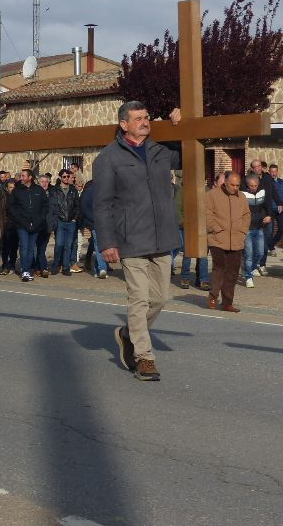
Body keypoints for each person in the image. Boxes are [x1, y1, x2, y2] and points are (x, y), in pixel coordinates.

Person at [94, 100, 181, 382]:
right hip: (131, 240)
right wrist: (107, 242)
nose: (145, 121)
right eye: (139, 118)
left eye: (147, 117)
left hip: (162, 237)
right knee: (139, 300)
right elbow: (102, 205)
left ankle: (128, 335)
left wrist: (181, 123)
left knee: (160, 298)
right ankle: (144, 357)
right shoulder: (108, 158)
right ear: (124, 124)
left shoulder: (160, 151)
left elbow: (192, 150)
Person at [204, 172, 249, 312]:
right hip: (217, 239)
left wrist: (242, 231)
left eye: (237, 185)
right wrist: (215, 228)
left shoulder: (241, 197)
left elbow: (246, 215)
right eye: (232, 185)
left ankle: (227, 303)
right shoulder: (212, 195)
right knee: (219, 268)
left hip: (236, 240)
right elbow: (206, 213)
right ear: (225, 182)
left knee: (233, 273)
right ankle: (213, 296)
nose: (235, 188)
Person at [9, 168, 48, 282]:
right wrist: (19, 219)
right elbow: (11, 206)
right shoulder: (17, 190)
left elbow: (45, 205)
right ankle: (24, 270)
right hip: (22, 224)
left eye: (23, 176)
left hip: (36, 224)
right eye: (21, 176)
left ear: (30, 177)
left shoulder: (39, 190)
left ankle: (27, 269)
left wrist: (40, 218)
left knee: (31, 249)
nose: (21, 178)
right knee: (24, 247)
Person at [173, 178, 210, 290]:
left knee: (203, 255)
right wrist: (183, 223)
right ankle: (185, 278)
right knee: (188, 254)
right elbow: (176, 208)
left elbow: (211, 209)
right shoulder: (183, 191)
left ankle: (203, 280)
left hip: (203, 227)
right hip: (188, 227)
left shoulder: (207, 192)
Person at [248, 160, 282, 270]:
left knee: (266, 239)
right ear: (252, 168)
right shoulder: (249, 180)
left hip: (268, 212)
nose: (258, 168)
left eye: (259, 166)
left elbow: (273, 192)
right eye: (255, 167)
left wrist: (279, 202)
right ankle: (253, 264)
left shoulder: (267, 178)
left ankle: (262, 264)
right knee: (254, 240)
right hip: (254, 213)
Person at [241, 174, 271, 288]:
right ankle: (249, 277)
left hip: (259, 227)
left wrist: (269, 216)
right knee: (248, 254)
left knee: (260, 253)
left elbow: (268, 205)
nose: (254, 188)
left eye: (256, 185)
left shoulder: (262, 192)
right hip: (247, 228)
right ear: (248, 185)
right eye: (252, 186)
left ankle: (251, 268)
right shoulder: (242, 194)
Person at [50, 168, 80, 276]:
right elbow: (52, 206)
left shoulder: (73, 190)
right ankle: (56, 265)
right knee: (59, 244)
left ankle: (66, 267)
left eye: (68, 176)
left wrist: (75, 218)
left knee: (68, 245)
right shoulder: (54, 190)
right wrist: (56, 219)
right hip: (60, 222)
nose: (66, 178)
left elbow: (77, 206)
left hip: (71, 222)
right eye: (64, 176)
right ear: (60, 178)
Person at [80, 179, 109, 278]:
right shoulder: (90, 191)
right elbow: (84, 207)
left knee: (100, 246)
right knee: (98, 245)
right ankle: (102, 268)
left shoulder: (107, 191)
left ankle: (97, 269)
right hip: (95, 223)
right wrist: (93, 219)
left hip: (106, 223)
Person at [34, 174, 54, 278]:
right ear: (38, 183)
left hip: (47, 226)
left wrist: (53, 223)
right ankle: (42, 267)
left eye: (46, 181)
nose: (45, 183)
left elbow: (54, 211)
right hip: (36, 225)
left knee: (42, 248)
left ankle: (39, 268)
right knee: (37, 248)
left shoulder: (51, 194)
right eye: (42, 182)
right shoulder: (35, 194)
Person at [267, 164, 283, 255]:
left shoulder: (281, 181)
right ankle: (271, 248)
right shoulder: (267, 182)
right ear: (269, 172)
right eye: (271, 172)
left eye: (275, 172)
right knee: (270, 231)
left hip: (281, 209)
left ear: (277, 172)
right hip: (271, 209)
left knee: (282, 229)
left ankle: (271, 244)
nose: (273, 174)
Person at [0, 179, 19, 274]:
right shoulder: (3, 197)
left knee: (14, 247)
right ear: (7, 188)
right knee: (6, 246)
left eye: (14, 187)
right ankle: (5, 265)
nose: (12, 189)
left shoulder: (18, 197)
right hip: (6, 225)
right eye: (10, 187)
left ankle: (12, 265)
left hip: (16, 225)